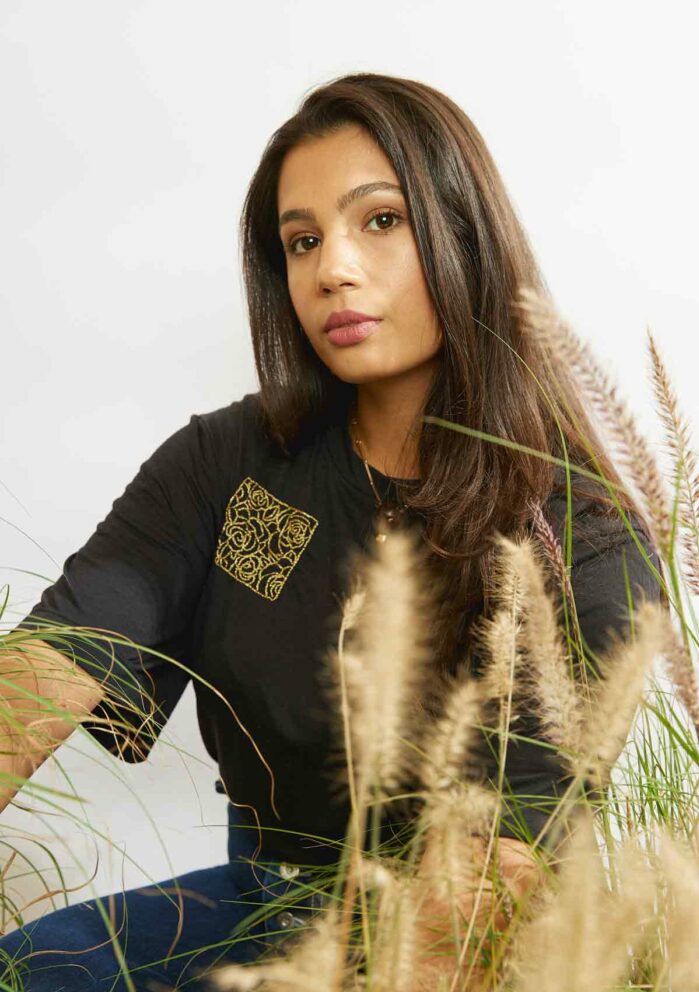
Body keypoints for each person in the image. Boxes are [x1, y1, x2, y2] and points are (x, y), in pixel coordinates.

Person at [0, 71, 663, 991]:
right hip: (261, 898)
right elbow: (49, 665)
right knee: (33, 969)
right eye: (301, 240)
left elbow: (505, 862)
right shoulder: (240, 471)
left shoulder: (577, 532)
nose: (332, 268)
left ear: (463, 231)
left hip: (467, 942)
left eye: (379, 221)